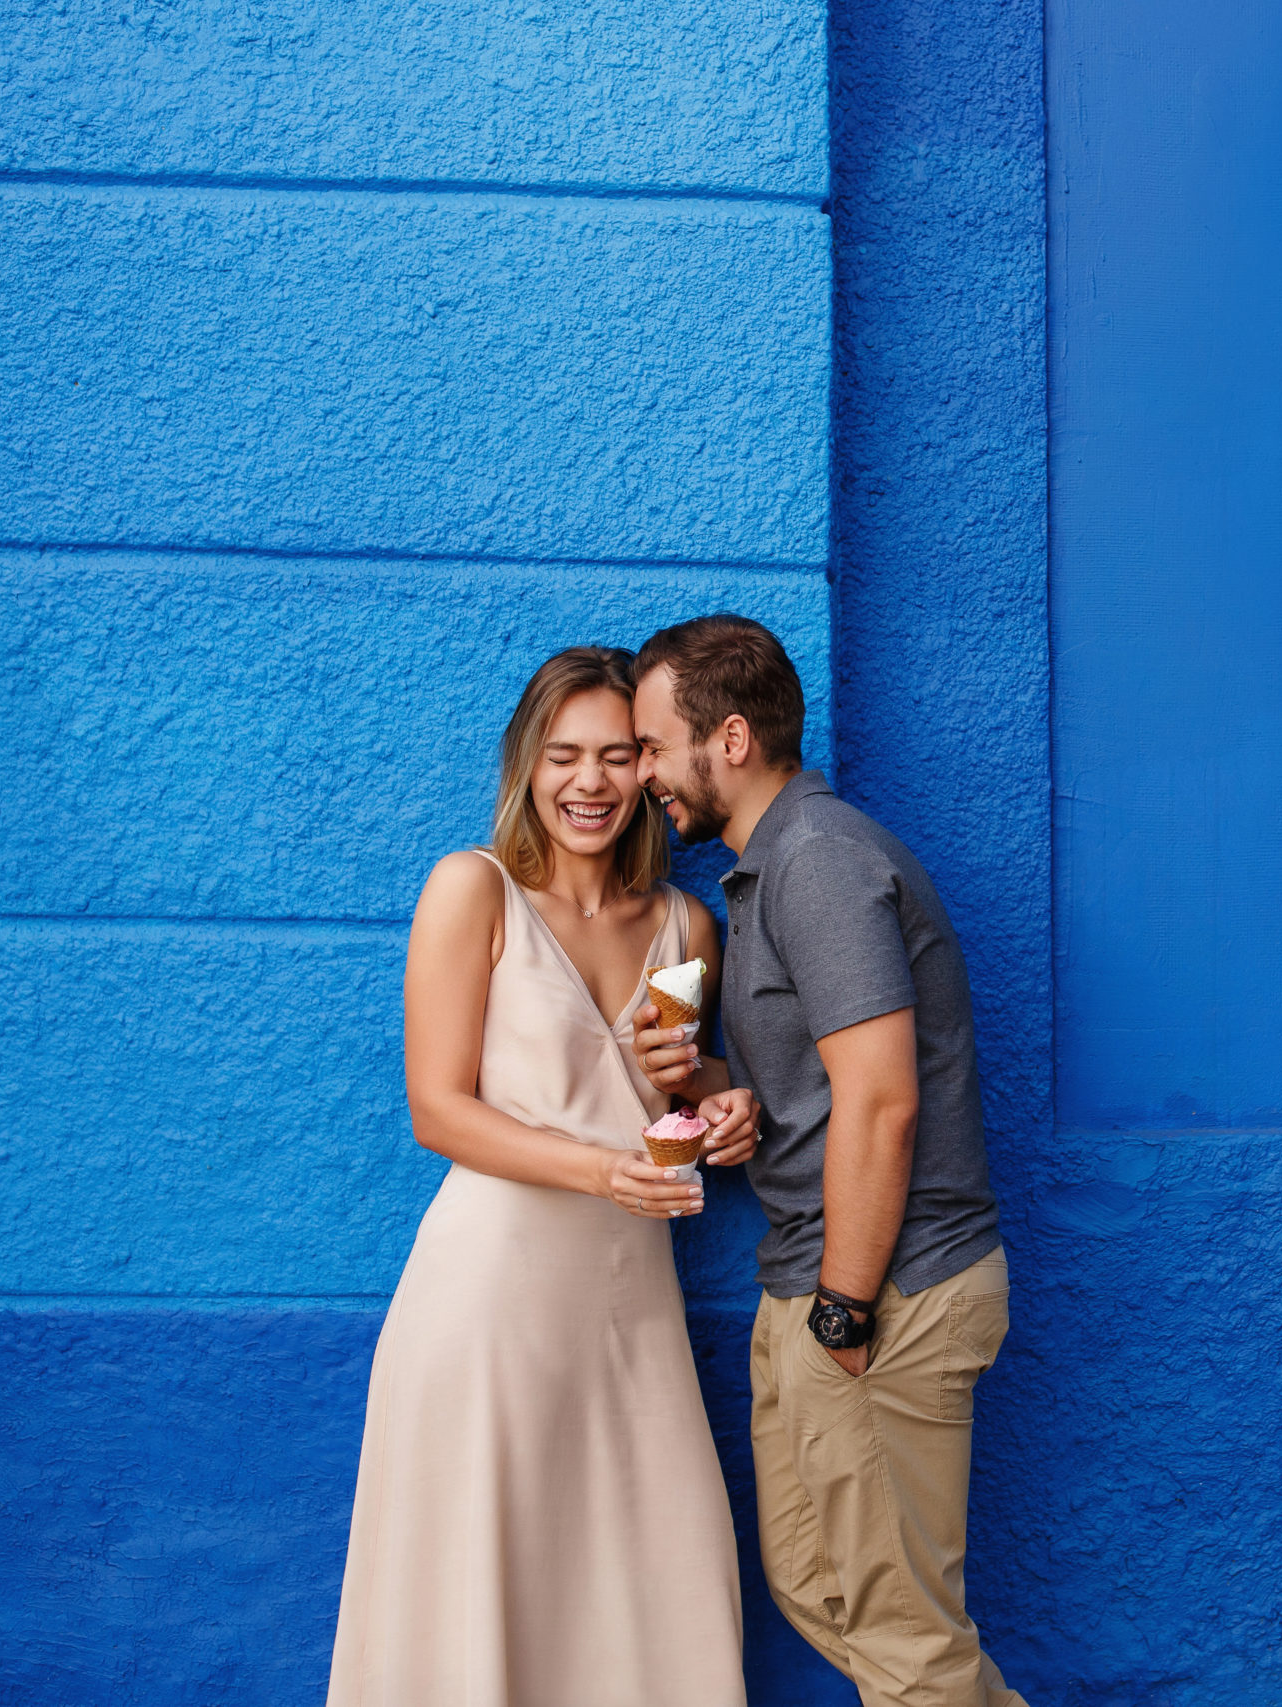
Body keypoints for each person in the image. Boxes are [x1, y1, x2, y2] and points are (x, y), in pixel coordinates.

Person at [329, 646, 761, 1707]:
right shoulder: (471, 891)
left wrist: (723, 1102)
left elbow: (663, 1091)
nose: (590, 782)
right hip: (486, 1297)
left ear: (647, 772)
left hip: (627, 1306)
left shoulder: (679, 925)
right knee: (476, 1584)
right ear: (528, 766)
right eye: (564, 756)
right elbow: (439, 1109)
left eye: (618, 757)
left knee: (652, 1586)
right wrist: (606, 1169)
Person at [627, 615, 1027, 1707]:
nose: (644, 773)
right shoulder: (763, 878)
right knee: (817, 1587)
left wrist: (844, 1314)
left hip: (880, 1295)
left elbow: (882, 1101)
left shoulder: (820, 864)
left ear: (734, 739)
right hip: (814, 1283)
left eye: (655, 745)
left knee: (903, 1641)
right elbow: (817, 1097)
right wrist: (709, 1088)